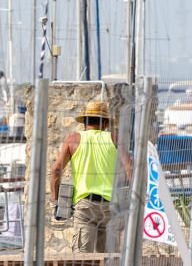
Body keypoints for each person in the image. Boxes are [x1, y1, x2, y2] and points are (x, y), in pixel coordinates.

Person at [47, 98, 131, 252]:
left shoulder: (73, 140)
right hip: (110, 206)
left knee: (81, 259)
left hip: (85, 206)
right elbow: (130, 168)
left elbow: (55, 170)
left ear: (84, 122)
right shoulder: (114, 139)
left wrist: (55, 200)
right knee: (108, 260)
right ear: (105, 124)